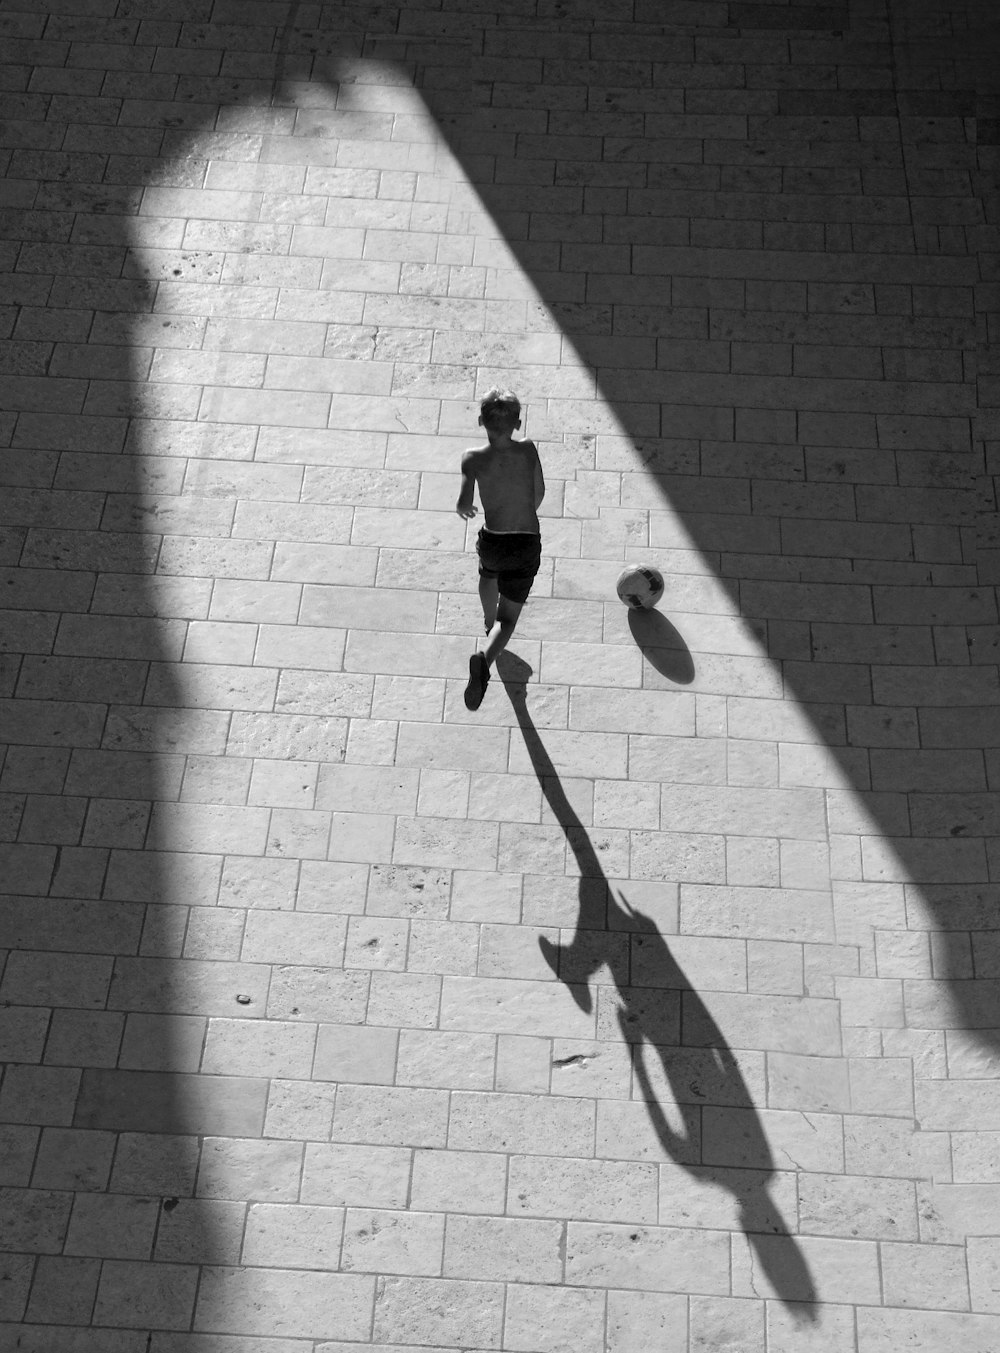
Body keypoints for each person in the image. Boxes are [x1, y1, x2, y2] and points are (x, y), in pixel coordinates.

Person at [456, 387, 544, 710]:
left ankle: (485, 616)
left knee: (488, 572)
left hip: (493, 539)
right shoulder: (528, 450)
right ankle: (485, 657)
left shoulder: (472, 458)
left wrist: (467, 505)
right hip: (524, 541)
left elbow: (464, 501)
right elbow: (539, 494)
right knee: (507, 621)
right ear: (518, 424)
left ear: (481, 421)